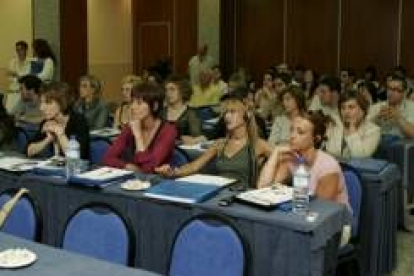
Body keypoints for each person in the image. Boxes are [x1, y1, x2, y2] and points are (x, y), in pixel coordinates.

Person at [156, 92, 272, 187]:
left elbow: (285, 160)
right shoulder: (220, 144)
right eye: (225, 112)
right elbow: (194, 166)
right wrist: (172, 172)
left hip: (243, 199)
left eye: (232, 112)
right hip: (219, 195)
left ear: (246, 115)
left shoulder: (258, 144)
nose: (227, 116)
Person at [257, 111, 350, 207]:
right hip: (303, 214)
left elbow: (320, 208)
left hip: (334, 219)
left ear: (316, 139)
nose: (292, 136)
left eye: (300, 132)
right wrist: (275, 154)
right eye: (291, 130)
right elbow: (263, 190)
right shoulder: (291, 158)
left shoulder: (328, 166)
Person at [103, 83, 177, 173]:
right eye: (132, 102)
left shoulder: (168, 131)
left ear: (154, 106)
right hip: (133, 181)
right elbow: (108, 158)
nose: (133, 107)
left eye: (139, 103)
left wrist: (138, 136)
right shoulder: (130, 127)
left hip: (158, 182)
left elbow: (148, 169)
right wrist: (128, 166)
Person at [27, 82, 90, 159]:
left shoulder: (79, 121)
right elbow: (28, 151)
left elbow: (75, 158)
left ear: (62, 102)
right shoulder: (47, 121)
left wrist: (60, 134)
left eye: (47, 103)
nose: (41, 108)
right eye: (41, 102)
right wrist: (48, 139)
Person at [325, 90, 380, 158]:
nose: (346, 112)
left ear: (362, 110)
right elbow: (328, 151)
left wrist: (352, 128)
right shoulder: (335, 125)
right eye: (343, 108)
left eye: (351, 107)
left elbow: (360, 156)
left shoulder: (373, 130)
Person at [161, 76, 206, 144]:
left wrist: (193, 140)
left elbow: (201, 137)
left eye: (172, 89)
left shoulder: (191, 114)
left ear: (182, 91)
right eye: (166, 90)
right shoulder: (161, 112)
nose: (168, 93)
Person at [367, 74, 414, 139]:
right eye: (389, 88)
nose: (390, 92)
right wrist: (377, 118)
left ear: (404, 93)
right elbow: (364, 130)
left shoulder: (411, 107)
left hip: (402, 145)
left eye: (395, 89)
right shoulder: (377, 106)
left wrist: (398, 117)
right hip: (379, 143)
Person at [5, 41, 31, 112]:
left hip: (24, 93)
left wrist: (16, 75)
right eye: (17, 50)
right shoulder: (12, 62)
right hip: (12, 91)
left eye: (21, 49)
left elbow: (28, 78)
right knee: (9, 113)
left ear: (26, 50)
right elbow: (9, 77)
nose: (19, 52)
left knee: (21, 114)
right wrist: (18, 77)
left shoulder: (31, 62)